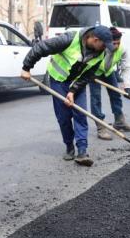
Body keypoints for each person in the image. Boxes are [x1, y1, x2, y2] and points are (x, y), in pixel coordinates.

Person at [21, 25, 115, 167]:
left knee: (80, 113)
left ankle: (82, 151)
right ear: (95, 39)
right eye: (103, 44)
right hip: (58, 80)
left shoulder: (100, 53)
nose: (105, 49)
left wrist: (73, 91)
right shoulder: (69, 39)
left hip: (76, 83)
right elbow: (41, 47)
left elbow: (88, 75)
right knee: (64, 117)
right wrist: (26, 67)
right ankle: (69, 146)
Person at [89, 27, 130, 140]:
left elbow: (126, 68)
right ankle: (101, 127)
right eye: (114, 43)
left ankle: (119, 121)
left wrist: (127, 86)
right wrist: (89, 72)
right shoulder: (99, 48)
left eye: (118, 43)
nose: (116, 46)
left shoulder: (122, 50)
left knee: (116, 95)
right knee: (96, 99)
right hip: (94, 73)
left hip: (108, 72)